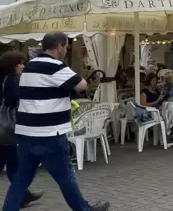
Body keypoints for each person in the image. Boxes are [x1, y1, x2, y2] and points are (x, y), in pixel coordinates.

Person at [3, 32, 109, 211]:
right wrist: (82, 79)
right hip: (50, 134)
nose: (66, 51)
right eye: (66, 46)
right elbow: (81, 85)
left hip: (26, 134)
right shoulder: (55, 66)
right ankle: (84, 210)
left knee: (21, 179)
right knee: (66, 177)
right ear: (59, 46)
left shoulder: (30, 65)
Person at [0, 52, 43, 208]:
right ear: (12, 64)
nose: (23, 66)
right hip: (5, 129)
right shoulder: (11, 78)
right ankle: (23, 195)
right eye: (20, 63)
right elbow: (11, 100)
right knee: (11, 163)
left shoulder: (5, 77)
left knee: (13, 164)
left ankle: (24, 195)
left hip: (5, 131)